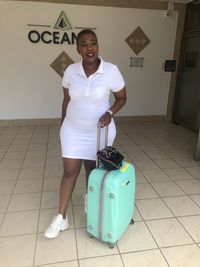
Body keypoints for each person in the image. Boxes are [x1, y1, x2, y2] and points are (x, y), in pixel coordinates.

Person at [44, 29, 127, 238]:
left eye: (93, 43)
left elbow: (122, 97)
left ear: (97, 46)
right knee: (69, 172)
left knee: (93, 171)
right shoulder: (71, 71)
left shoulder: (111, 70)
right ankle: (60, 218)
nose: (89, 48)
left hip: (99, 131)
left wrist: (109, 113)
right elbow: (66, 100)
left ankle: (92, 207)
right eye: (84, 44)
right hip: (73, 130)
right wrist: (63, 125)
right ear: (78, 48)